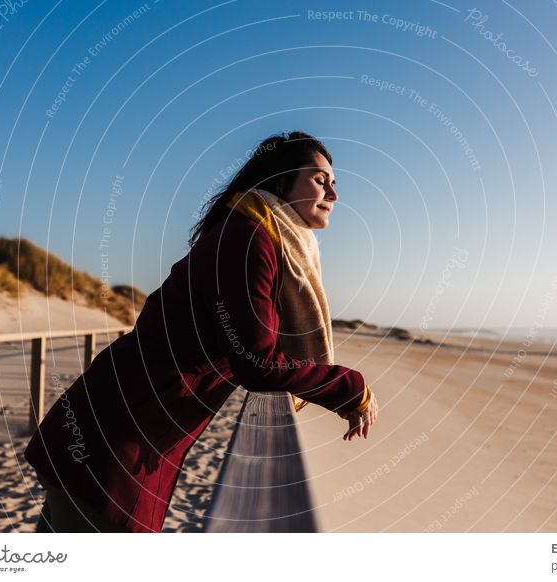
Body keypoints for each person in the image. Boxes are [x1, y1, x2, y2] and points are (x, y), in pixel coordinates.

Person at [24, 130, 378, 533]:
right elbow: (256, 362)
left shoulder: (256, 235)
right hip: (115, 441)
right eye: (320, 180)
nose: (333, 194)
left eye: (334, 183)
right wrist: (350, 386)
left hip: (124, 429)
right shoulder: (249, 240)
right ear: (280, 181)